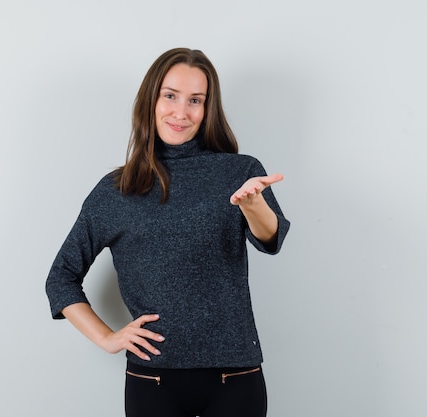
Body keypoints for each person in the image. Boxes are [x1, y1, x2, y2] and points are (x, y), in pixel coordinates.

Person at [45, 47, 290, 417]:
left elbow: (271, 240)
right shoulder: (117, 189)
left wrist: (254, 205)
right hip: (153, 381)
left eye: (195, 100)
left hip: (235, 378)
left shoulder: (239, 171)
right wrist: (109, 338)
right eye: (170, 96)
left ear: (208, 109)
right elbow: (61, 277)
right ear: (151, 99)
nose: (181, 112)